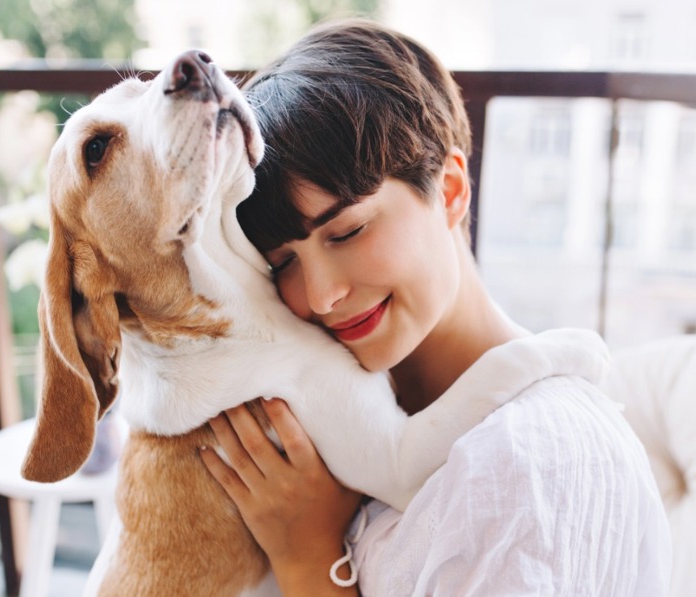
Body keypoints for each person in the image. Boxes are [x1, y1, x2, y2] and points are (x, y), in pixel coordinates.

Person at [198, 18, 671, 596]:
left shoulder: (529, 461)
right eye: (283, 263)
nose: (321, 295)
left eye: (347, 232)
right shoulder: (329, 428)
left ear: (449, 190)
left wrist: (309, 556)